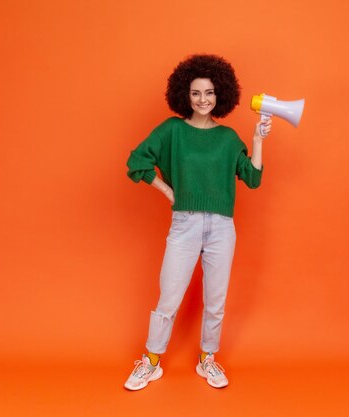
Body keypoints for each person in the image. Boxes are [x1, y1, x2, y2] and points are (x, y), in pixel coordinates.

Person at [123, 54, 271, 390]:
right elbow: (136, 160)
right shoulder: (172, 130)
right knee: (169, 297)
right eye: (195, 93)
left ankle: (208, 360)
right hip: (185, 223)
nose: (203, 100)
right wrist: (165, 189)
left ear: (221, 95)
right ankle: (151, 361)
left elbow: (252, 178)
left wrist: (259, 140)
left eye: (209, 93)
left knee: (216, 299)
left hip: (222, 227)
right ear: (184, 95)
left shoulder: (230, 138)